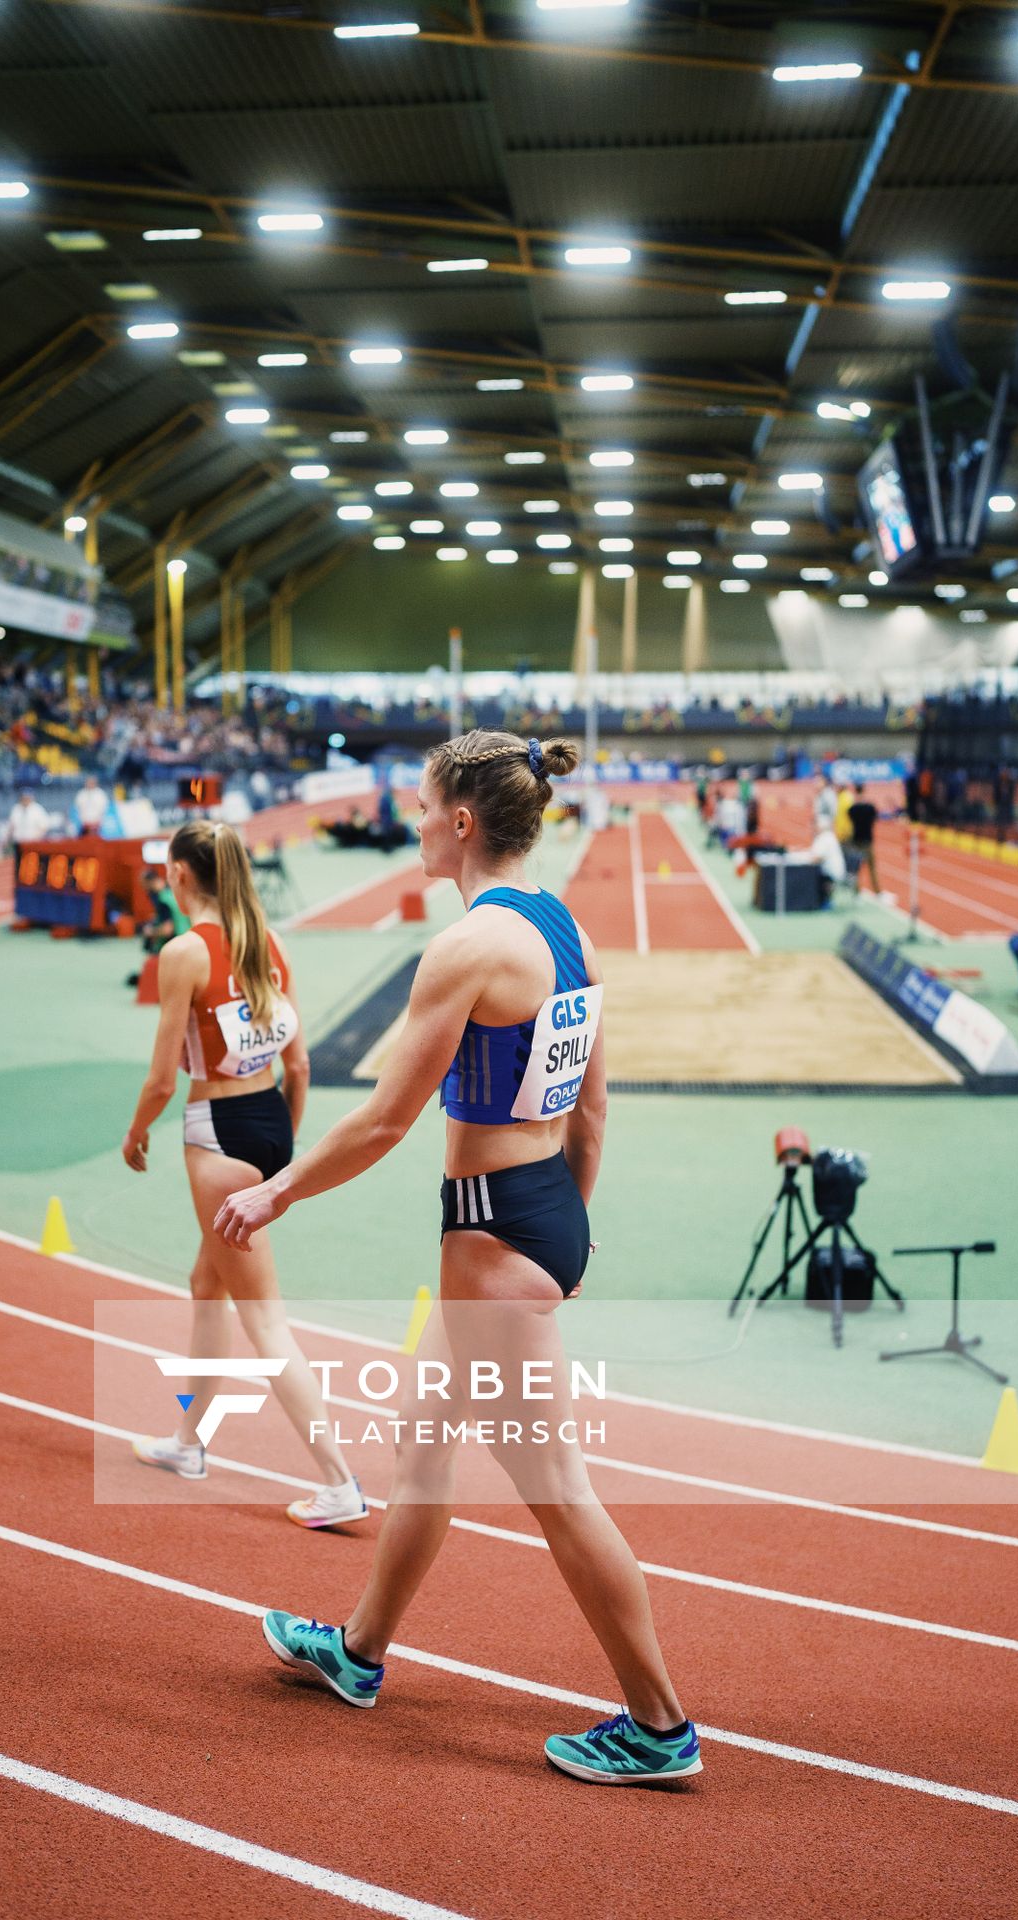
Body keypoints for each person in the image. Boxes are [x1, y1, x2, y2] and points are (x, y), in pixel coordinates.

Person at [217, 731, 700, 1787]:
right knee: (424, 1448)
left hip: (491, 1236)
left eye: (424, 807)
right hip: (535, 1213)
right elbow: (594, 1101)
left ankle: (658, 1726)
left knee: (559, 1489)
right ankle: (358, 1653)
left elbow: (386, 1121)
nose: (415, 822)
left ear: (464, 822)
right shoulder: (559, 925)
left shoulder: (471, 947)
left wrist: (274, 1187)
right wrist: (565, 1229)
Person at [120, 819, 367, 1528]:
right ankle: (188, 1442)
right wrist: (282, 1153)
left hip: (219, 1134)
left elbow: (164, 1079)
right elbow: (301, 1064)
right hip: (269, 1123)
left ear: (180, 876)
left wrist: (136, 1132)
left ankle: (340, 1481)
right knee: (208, 1282)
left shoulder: (183, 954)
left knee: (263, 1318)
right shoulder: (268, 942)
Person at [847, 783, 879, 894]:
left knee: (856, 868)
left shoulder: (852, 809)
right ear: (863, 791)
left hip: (856, 840)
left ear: (855, 792)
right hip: (867, 840)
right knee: (872, 868)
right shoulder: (870, 808)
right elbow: (874, 818)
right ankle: (877, 891)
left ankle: (856, 892)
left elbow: (850, 819)